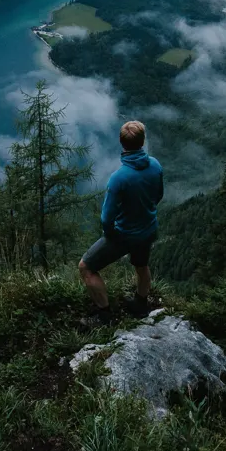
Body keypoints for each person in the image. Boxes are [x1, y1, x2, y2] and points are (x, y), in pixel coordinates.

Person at [79, 120, 163, 322]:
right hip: (149, 228)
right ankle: (141, 304)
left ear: (121, 142)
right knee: (141, 265)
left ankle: (104, 314)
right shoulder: (155, 165)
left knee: (86, 267)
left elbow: (106, 218)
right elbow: (157, 196)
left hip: (124, 234)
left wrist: (111, 234)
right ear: (142, 142)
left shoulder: (119, 178)